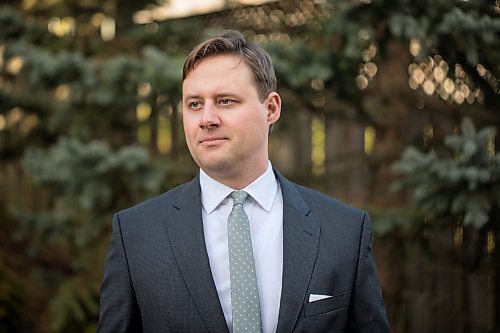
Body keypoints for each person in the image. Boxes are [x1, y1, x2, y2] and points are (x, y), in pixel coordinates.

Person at [97, 30, 389, 333]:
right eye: (194, 104)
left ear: (271, 109)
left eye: (225, 101)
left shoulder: (343, 231)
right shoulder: (136, 235)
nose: (206, 118)